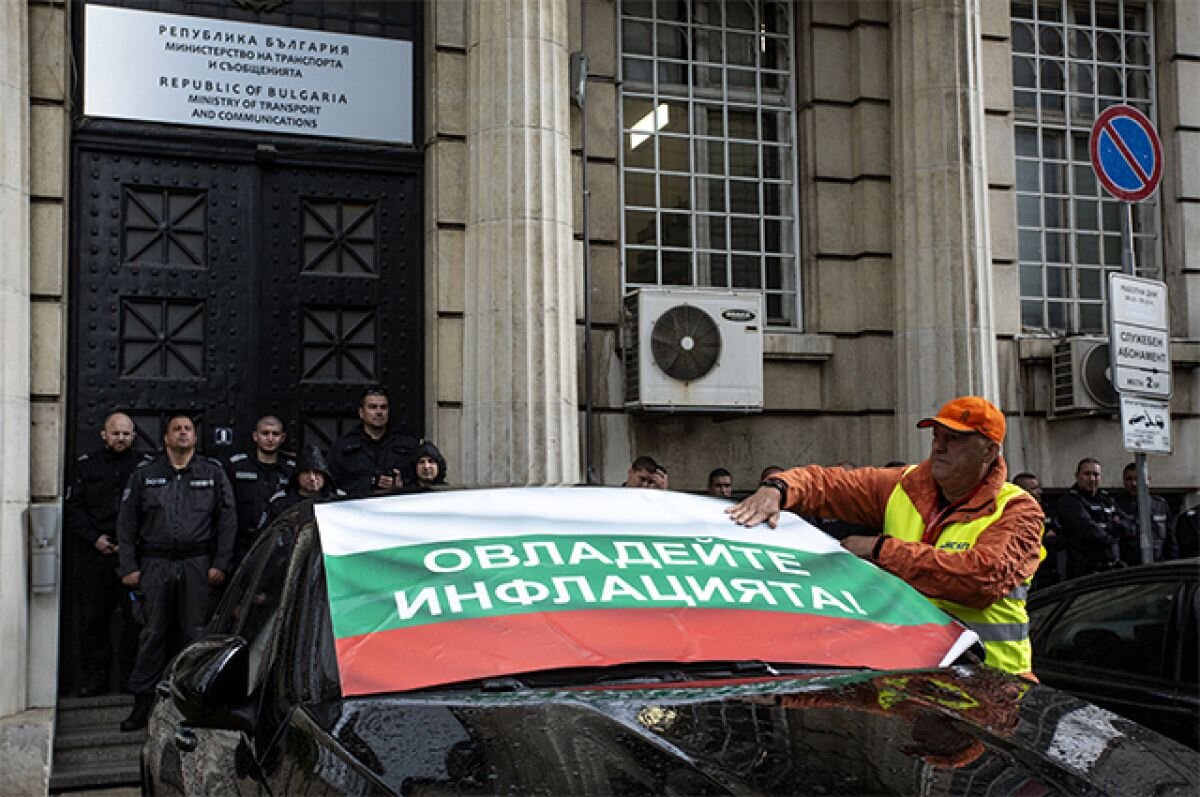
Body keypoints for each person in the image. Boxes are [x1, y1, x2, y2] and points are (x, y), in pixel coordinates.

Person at [728, 396, 1043, 678]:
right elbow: (831, 483)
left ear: (989, 450)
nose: (939, 446)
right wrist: (779, 488)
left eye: (954, 439)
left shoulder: (1017, 509)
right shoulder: (906, 484)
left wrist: (880, 551)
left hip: (994, 687)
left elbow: (980, 579)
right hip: (913, 680)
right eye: (936, 436)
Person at [116, 414, 237, 731]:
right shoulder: (145, 474)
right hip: (155, 564)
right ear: (166, 437)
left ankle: (194, 704)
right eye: (177, 429)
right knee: (152, 633)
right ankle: (142, 704)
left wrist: (220, 564)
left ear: (195, 437)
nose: (183, 434)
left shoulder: (211, 473)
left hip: (197, 564)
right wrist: (128, 566)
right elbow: (126, 524)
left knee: (196, 634)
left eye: (188, 429)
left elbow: (228, 521)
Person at [63, 412, 149, 697]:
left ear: (134, 436)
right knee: (93, 620)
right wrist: (95, 538)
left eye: (126, 434)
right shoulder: (87, 466)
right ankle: (94, 679)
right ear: (104, 435)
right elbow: (73, 509)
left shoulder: (144, 468)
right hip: (95, 555)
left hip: (132, 557)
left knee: (134, 620)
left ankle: (129, 679)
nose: (121, 438)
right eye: (116, 433)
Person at [224, 416, 295, 570]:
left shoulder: (291, 470)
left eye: (275, 434)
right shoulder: (237, 466)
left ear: (282, 438)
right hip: (241, 545)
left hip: (279, 546)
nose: (270, 438)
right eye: (265, 433)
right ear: (255, 436)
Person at [327, 387, 418, 497]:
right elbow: (331, 485)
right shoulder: (343, 446)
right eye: (373, 407)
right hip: (356, 509)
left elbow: (421, 482)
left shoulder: (407, 444)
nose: (379, 412)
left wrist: (402, 486)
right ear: (361, 412)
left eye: (383, 407)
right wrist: (371, 482)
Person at [1052, 458, 1132, 578]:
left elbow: (1129, 525)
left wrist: (1107, 527)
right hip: (1084, 570)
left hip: (1111, 568)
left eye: (1096, 474)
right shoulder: (1070, 500)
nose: (1092, 479)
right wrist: (1114, 531)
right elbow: (1091, 531)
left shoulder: (1105, 498)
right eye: (1087, 474)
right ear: (1077, 476)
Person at [1114, 462, 1176, 565]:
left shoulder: (1160, 505)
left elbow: (1170, 539)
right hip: (1129, 567)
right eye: (1129, 479)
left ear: (1148, 480)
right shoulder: (1116, 505)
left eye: (1137, 478)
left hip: (1158, 564)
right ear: (1124, 481)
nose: (1134, 483)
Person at [264, 444, 339, 524]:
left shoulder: (339, 500)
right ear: (297, 475)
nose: (312, 478)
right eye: (306, 472)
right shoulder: (280, 502)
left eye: (317, 473)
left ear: (325, 475)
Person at [1013, 472, 1061, 590]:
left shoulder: (1045, 511)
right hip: (1028, 574)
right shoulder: (1012, 516)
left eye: (1039, 487)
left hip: (1049, 570)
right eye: (1034, 489)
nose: (1039, 492)